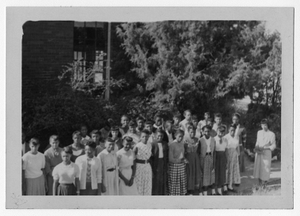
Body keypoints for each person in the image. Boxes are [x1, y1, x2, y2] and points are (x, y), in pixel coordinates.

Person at [253, 119, 276, 187]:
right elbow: (257, 141)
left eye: (265, 125)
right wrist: (256, 147)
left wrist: (266, 148)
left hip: (266, 153)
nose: (264, 127)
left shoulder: (271, 134)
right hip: (259, 152)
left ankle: (264, 184)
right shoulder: (259, 132)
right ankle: (260, 184)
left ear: (268, 125)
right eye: (262, 125)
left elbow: (273, 145)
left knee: (265, 168)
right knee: (259, 168)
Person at [168, 129, 187, 196]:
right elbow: (170, 158)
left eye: (182, 136)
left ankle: (181, 196)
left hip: (181, 166)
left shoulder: (182, 144)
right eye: (179, 136)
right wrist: (179, 161)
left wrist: (184, 160)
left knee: (181, 182)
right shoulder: (172, 144)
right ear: (175, 136)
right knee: (174, 183)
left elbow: (182, 155)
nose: (181, 138)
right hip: (174, 166)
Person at [133, 129, 152, 195]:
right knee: (139, 185)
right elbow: (133, 159)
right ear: (140, 137)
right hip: (139, 167)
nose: (145, 138)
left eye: (146, 136)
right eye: (143, 136)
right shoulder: (137, 146)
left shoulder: (150, 145)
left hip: (147, 166)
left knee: (147, 185)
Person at [150, 129, 169, 195]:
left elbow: (166, 155)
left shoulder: (165, 144)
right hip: (155, 163)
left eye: (161, 136)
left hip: (163, 163)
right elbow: (151, 157)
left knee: (162, 179)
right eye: (158, 136)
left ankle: (162, 194)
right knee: (156, 180)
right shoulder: (152, 144)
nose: (160, 137)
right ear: (155, 136)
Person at [184, 126, 201, 195]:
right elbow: (184, 150)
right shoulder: (186, 140)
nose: (192, 133)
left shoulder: (197, 140)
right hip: (189, 157)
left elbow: (199, 150)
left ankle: (194, 187)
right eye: (191, 132)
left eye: (194, 132)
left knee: (195, 171)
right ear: (188, 132)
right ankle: (189, 189)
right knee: (189, 172)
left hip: (195, 157)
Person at [199, 125, 216, 195]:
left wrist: (214, 161)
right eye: (205, 131)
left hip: (210, 157)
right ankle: (205, 192)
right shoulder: (201, 140)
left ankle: (213, 190)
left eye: (208, 131)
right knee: (205, 174)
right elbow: (199, 151)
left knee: (212, 173)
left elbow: (214, 151)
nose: (207, 133)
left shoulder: (213, 139)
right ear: (203, 132)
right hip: (204, 158)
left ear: (210, 132)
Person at [225, 124, 241, 192]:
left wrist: (238, 155)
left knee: (234, 169)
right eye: (231, 130)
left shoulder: (236, 136)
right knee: (229, 169)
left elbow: (237, 147)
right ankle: (227, 185)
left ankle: (232, 183)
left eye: (234, 130)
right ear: (228, 130)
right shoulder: (226, 137)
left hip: (235, 154)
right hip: (228, 154)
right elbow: (225, 148)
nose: (232, 132)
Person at [214, 126, 228, 195]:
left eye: (222, 132)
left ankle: (221, 187)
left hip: (222, 156)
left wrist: (226, 159)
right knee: (216, 172)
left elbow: (226, 150)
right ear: (217, 131)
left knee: (222, 172)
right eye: (219, 132)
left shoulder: (225, 139)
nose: (221, 133)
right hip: (216, 156)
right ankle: (215, 188)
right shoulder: (214, 139)